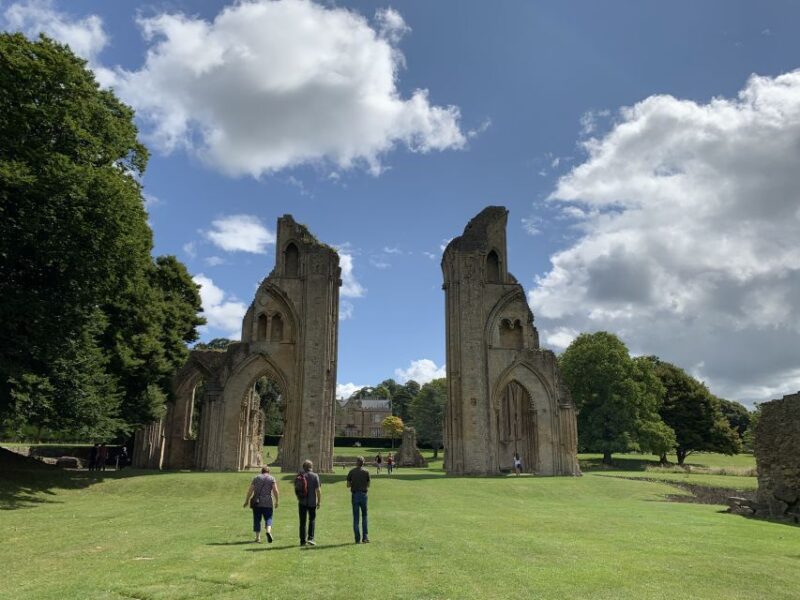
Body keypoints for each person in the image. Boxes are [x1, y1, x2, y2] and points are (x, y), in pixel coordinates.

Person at [244, 466, 280, 543]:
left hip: (257, 502)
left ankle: (258, 538)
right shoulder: (271, 478)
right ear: (268, 472)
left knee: (257, 519)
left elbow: (250, 490)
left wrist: (247, 500)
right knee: (268, 518)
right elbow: (275, 490)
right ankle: (268, 531)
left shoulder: (256, 478)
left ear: (261, 471)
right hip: (268, 502)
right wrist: (277, 501)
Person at [296, 459, 321, 546]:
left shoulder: (300, 476)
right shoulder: (315, 476)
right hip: (312, 502)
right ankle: (311, 538)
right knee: (312, 519)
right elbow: (318, 490)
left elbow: (297, 489)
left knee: (302, 522)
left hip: (302, 501)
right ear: (311, 467)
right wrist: (319, 501)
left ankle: (302, 541)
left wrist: (299, 498)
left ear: (303, 467)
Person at [347, 456, 371, 543]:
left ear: (357, 462)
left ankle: (357, 539)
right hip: (364, 495)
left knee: (356, 517)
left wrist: (353, 483)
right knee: (364, 516)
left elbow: (348, 485)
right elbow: (368, 484)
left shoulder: (352, 472)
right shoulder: (366, 472)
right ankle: (365, 537)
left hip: (355, 495)